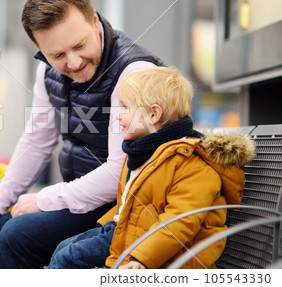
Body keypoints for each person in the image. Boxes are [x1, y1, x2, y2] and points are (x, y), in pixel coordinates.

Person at [0, 0, 165, 269]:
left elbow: (119, 173)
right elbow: (36, 143)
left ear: (94, 19)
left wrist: (46, 198)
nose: (73, 63)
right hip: (83, 198)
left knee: (17, 235)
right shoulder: (47, 73)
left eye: (79, 45)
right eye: (57, 55)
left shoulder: (134, 71)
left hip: (127, 205)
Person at [48, 66, 255, 269]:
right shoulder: (146, 154)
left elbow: (179, 223)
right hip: (131, 234)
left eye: (125, 108)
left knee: (68, 257)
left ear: (154, 114)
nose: (118, 115)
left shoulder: (192, 164)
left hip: (168, 254)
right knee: (62, 248)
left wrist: (141, 259)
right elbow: (131, 204)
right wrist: (107, 225)